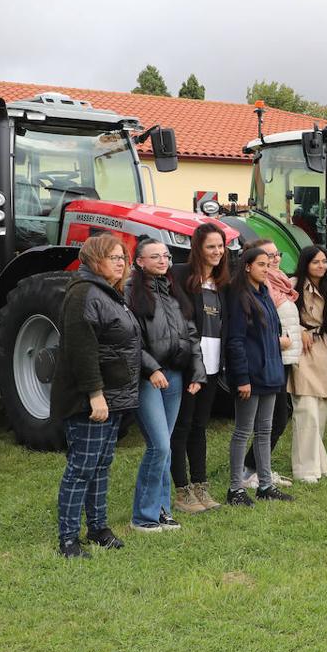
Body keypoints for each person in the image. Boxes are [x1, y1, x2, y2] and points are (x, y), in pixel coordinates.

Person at [51, 233, 141, 557]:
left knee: (101, 465)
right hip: (91, 399)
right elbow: (81, 350)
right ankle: (69, 540)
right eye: (114, 257)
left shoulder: (109, 293)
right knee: (82, 468)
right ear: (94, 260)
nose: (121, 263)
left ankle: (98, 528)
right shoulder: (84, 293)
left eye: (123, 258)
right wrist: (95, 394)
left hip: (112, 396)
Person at [127, 238, 204, 533]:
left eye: (166, 255)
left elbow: (191, 334)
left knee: (166, 447)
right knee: (158, 445)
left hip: (175, 376)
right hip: (149, 378)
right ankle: (143, 516)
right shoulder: (130, 293)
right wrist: (151, 368)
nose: (163, 260)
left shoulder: (173, 292)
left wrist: (196, 373)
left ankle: (162, 511)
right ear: (140, 262)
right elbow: (131, 339)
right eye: (155, 256)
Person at [226, 246, 294, 506]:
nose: (266, 269)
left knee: (264, 431)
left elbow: (271, 335)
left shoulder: (264, 293)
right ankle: (236, 489)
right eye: (261, 265)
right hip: (251, 376)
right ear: (247, 266)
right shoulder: (239, 296)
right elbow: (236, 341)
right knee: (244, 430)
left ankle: (265, 485)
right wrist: (242, 378)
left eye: (269, 264)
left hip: (271, 374)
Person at [169, 222, 229, 514]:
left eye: (220, 246)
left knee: (200, 427)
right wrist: (192, 365)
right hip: (190, 365)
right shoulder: (180, 276)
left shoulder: (222, 283)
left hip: (214, 365)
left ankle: (201, 486)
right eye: (211, 247)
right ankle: (182, 491)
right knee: (182, 426)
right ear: (198, 249)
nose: (217, 252)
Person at [240, 239, 298, 490]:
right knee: (273, 419)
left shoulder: (279, 281)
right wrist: (277, 341)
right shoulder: (261, 287)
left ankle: (259, 468)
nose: (275, 260)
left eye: (277, 255)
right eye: (268, 257)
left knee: (277, 417)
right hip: (270, 357)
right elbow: (256, 325)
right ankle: (249, 469)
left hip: (283, 356)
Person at [288, 246, 327, 482]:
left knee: (320, 410)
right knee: (306, 409)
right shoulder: (293, 284)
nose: (321, 266)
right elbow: (281, 313)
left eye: (324, 261)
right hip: (304, 350)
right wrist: (299, 330)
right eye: (316, 262)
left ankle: (319, 463)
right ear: (305, 263)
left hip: (326, 349)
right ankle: (305, 468)